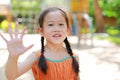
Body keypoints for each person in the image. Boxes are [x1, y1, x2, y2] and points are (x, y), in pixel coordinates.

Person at [0, 7, 80, 80]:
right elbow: (11, 76)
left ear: (68, 30)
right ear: (41, 31)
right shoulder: (36, 56)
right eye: (50, 24)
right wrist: (13, 57)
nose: (56, 29)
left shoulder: (74, 56)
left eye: (61, 24)